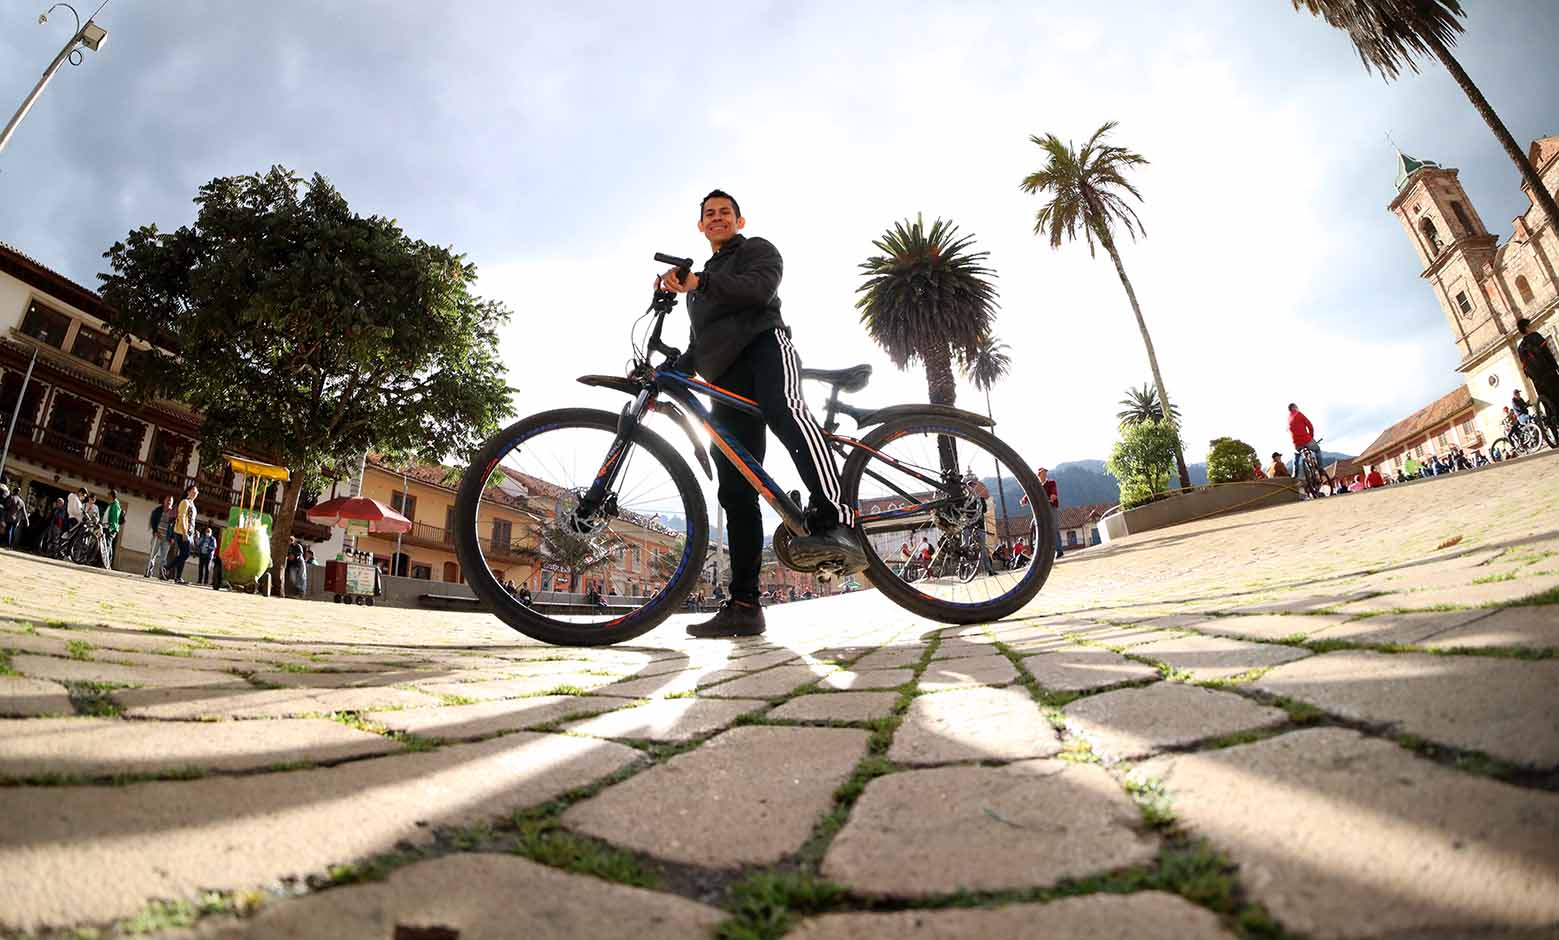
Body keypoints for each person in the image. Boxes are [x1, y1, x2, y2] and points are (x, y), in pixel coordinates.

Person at [659, 189, 864, 639]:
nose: (717, 218)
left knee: (785, 411)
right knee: (735, 488)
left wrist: (699, 284)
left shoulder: (756, 250)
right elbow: (702, 346)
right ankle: (745, 606)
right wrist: (667, 369)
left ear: (738, 219)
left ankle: (836, 517)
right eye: (709, 214)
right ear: (700, 226)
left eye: (724, 213)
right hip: (724, 382)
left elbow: (757, 289)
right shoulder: (701, 282)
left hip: (767, 351)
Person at [1514, 317, 1559, 422]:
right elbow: (1547, 353)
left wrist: (1535, 378)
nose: (1532, 327)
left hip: (1537, 381)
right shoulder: (1535, 336)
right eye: (1531, 325)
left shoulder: (1520, 348)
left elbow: (1525, 369)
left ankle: (1552, 421)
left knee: (1547, 402)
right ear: (1527, 327)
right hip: (1548, 373)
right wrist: (1555, 367)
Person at [1287, 403, 1331, 494]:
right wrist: (1310, 437)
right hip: (1306, 439)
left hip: (1296, 444)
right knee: (1317, 450)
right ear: (1295, 408)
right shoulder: (1299, 414)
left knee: (1296, 454)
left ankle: (1295, 473)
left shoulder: (1288, 420)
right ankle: (1321, 469)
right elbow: (1310, 426)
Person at [164, 484, 198, 584]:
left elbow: (191, 520)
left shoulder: (193, 505)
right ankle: (167, 568)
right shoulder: (185, 502)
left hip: (189, 533)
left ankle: (178, 577)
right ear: (188, 492)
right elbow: (181, 517)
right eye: (193, 491)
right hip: (181, 532)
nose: (195, 493)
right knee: (185, 554)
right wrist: (184, 533)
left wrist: (193, 533)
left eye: (196, 492)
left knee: (183, 554)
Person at [146, 495, 173, 578]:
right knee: (152, 554)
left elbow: (174, 526)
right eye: (167, 500)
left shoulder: (173, 513)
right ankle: (148, 572)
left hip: (167, 538)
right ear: (164, 501)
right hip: (157, 536)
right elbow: (153, 521)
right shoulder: (158, 510)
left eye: (170, 501)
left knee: (163, 558)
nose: (169, 502)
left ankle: (162, 574)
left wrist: (172, 537)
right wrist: (155, 531)